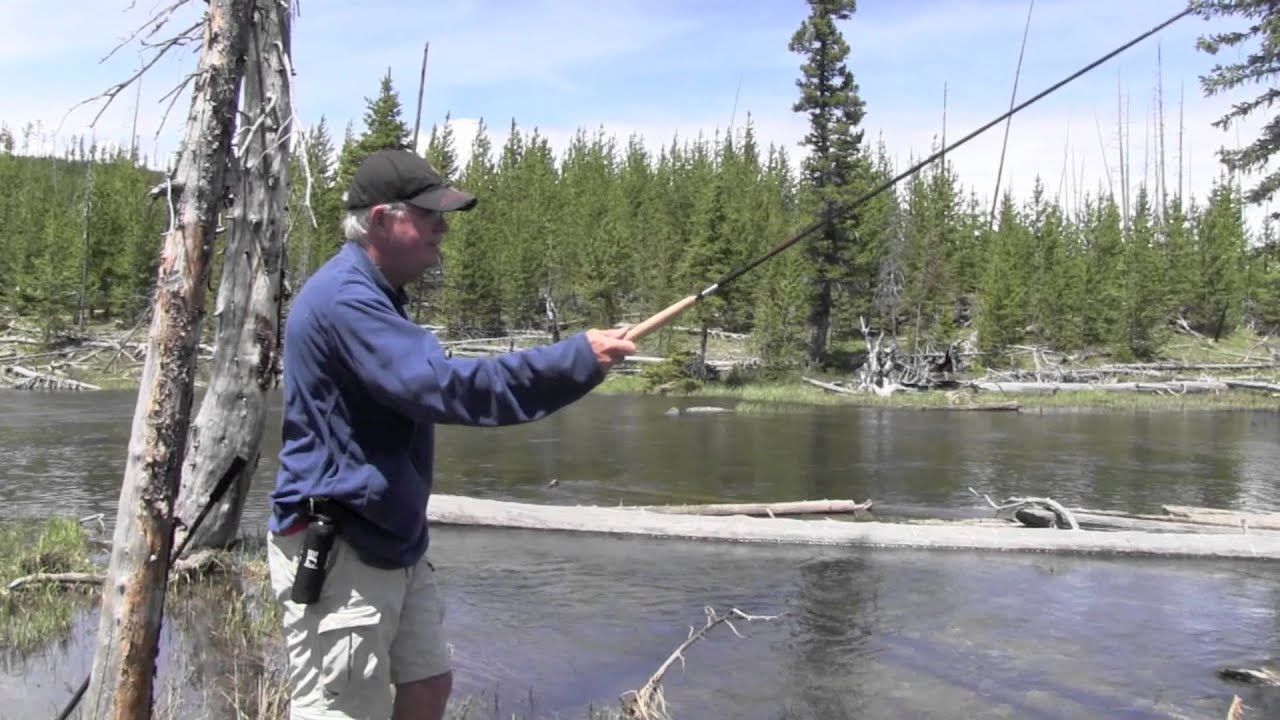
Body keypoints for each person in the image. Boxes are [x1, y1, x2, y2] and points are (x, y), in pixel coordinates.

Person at [265, 148, 636, 720]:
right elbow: (444, 386)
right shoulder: (346, 299)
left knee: (427, 684)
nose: (443, 227)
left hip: (390, 538)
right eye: (429, 214)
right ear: (382, 221)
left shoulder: (375, 294)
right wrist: (573, 361)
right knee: (342, 709)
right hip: (343, 544)